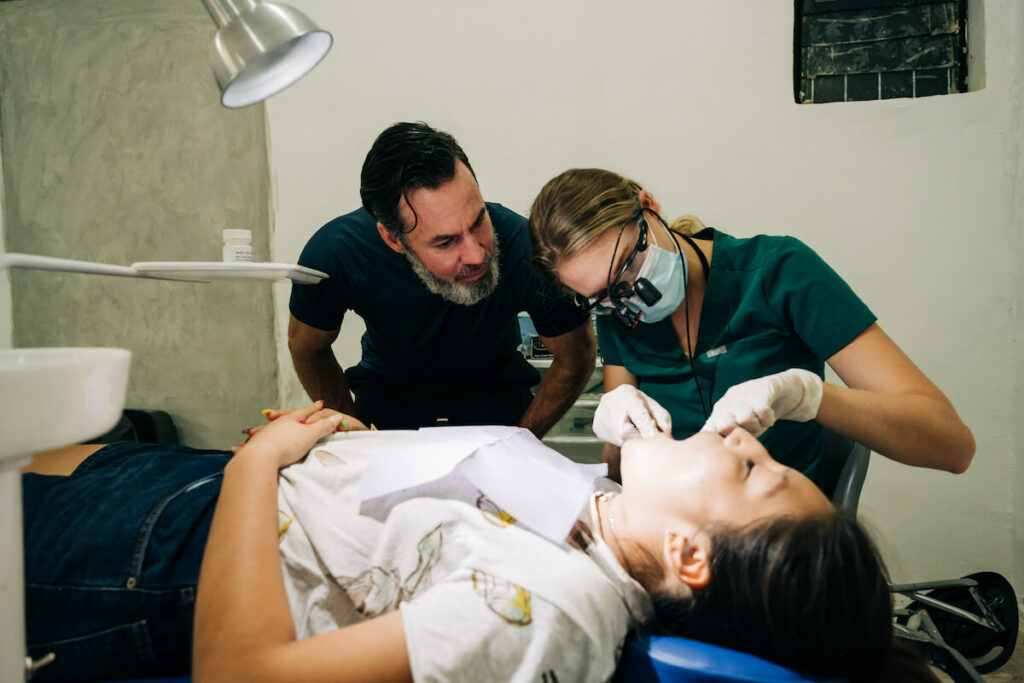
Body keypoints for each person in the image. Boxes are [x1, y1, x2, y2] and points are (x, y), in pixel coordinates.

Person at [22, 404, 938, 683]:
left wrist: (260, 464)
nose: (741, 436)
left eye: (751, 470)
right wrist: (346, 444)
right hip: (197, 489)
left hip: (160, 560)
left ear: (689, 556)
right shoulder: (599, 512)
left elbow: (242, 671)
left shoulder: (556, 606)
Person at [528, 168, 975, 483]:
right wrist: (616, 433)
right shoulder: (619, 314)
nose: (632, 296)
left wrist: (808, 395)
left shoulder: (779, 273)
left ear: (648, 207)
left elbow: (951, 446)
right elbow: (621, 467)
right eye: (606, 295)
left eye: (630, 264)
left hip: (779, 542)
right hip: (679, 533)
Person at [288, 122, 595, 436]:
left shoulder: (526, 248)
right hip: (387, 403)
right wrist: (354, 437)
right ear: (393, 239)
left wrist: (524, 437)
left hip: (498, 401)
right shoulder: (336, 253)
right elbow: (307, 348)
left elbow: (577, 355)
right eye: (445, 242)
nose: (476, 255)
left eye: (478, 221)